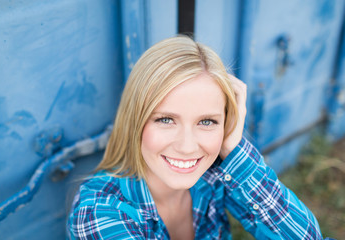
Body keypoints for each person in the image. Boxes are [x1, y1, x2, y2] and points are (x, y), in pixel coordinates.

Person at [67, 36, 326, 239]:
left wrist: (233, 149)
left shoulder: (214, 176)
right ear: (136, 120)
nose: (188, 146)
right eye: (165, 119)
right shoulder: (100, 211)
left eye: (207, 121)